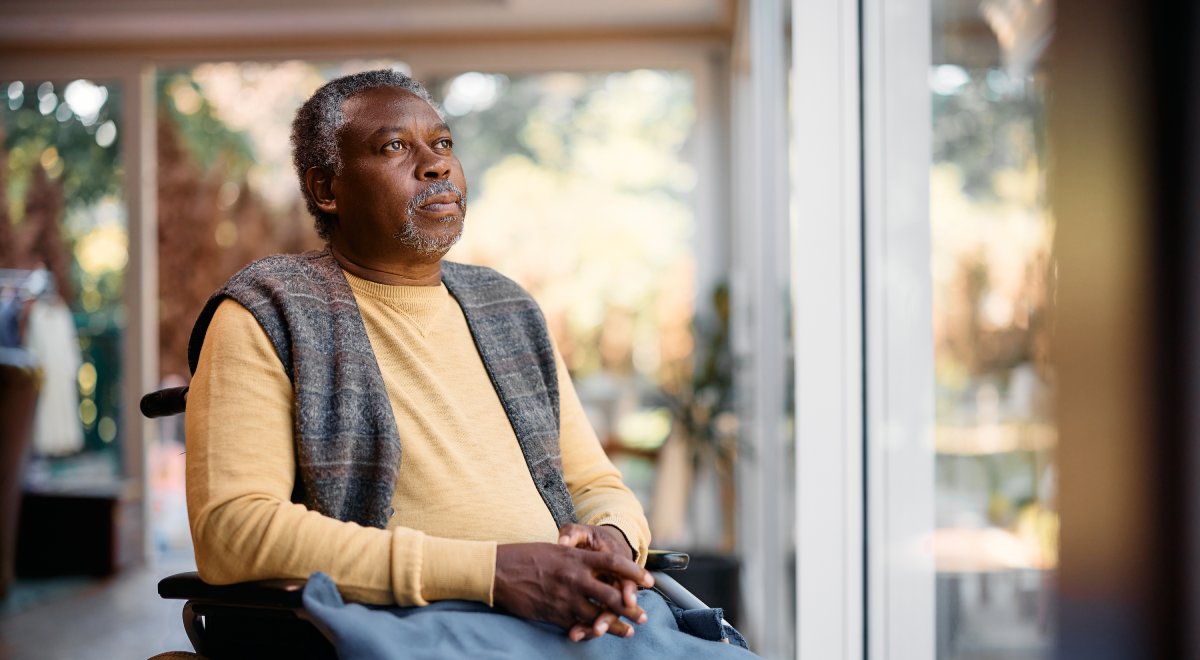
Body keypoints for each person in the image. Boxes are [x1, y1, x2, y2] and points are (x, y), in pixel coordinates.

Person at [184, 69, 663, 646]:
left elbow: (594, 483)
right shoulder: (271, 310)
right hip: (408, 630)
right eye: (393, 146)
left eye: (442, 144)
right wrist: (490, 574)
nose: (435, 164)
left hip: (575, 623)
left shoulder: (507, 308)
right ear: (326, 189)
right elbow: (233, 531)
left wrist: (613, 539)